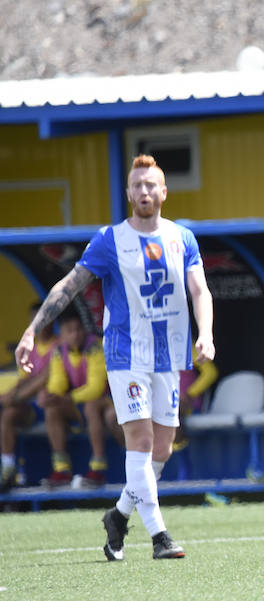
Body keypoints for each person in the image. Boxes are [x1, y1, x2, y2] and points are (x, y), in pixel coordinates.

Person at [14, 154, 214, 561]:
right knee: (139, 441)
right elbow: (69, 285)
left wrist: (206, 333)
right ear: (127, 193)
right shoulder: (110, 239)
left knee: (163, 448)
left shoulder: (182, 238)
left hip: (169, 354)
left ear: (163, 191)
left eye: (150, 184)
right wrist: (33, 331)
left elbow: (200, 291)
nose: (143, 191)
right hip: (126, 354)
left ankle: (119, 516)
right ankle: (160, 536)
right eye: (136, 185)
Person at [40, 309, 123, 488]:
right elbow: (58, 382)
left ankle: (98, 468)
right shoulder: (58, 352)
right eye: (69, 330)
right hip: (77, 403)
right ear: (61, 334)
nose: (75, 334)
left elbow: (96, 388)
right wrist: (51, 395)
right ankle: (61, 469)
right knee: (52, 409)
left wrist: (68, 397)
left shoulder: (95, 347)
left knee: (91, 406)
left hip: (107, 401)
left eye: (78, 329)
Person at [0, 304, 57, 492]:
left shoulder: (59, 345)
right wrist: (9, 395)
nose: (39, 324)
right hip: (32, 407)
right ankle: (8, 468)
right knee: (8, 414)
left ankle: (61, 470)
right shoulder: (29, 347)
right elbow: (24, 380)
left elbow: (44, 378)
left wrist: (16, 397)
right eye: (35, 320)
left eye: (43, 319)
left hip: (53, 404)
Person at [171, 346, 219, 480]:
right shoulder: (149, 346)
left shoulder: (185, 345)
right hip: (164, 402)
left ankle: (185, 466)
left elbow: (210, 372)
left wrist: (190, 393)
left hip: (189, 403)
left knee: (172, 409)